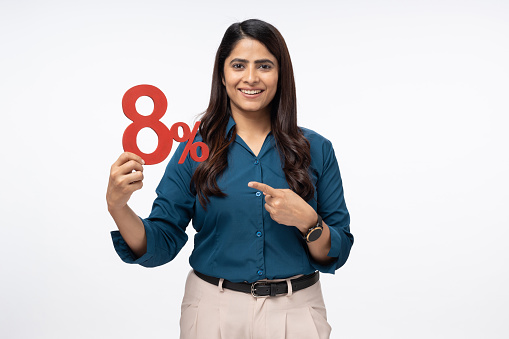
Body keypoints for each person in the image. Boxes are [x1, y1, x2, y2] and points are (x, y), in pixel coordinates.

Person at [107, 19, 353, 339]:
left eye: (264, 66)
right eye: (239, 65)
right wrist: (118, 206)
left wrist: (309, 221)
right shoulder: (193, 150)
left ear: (281, 75)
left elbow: (339, 250)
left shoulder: (317, 150)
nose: (250, 78)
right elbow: (161, 241)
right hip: (213, 313)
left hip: (296, 313)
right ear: (222, 75)